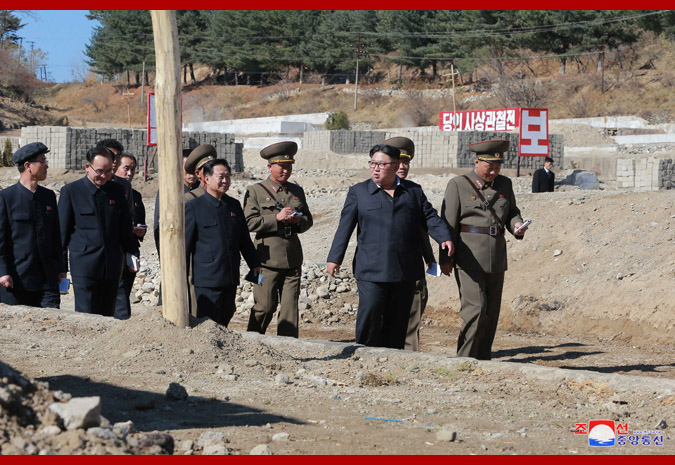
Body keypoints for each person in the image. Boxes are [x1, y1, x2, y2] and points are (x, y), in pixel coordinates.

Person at [326, 144, 453, 350]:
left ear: (395, 166)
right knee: (370, 313)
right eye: (373, 164)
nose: (375, 168)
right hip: (371, 269)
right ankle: (364, 353)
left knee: (398, 320)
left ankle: (393, 358)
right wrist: (335, 258)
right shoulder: (359, 192)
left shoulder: (413, 191)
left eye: (381, 164)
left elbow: (429, 216)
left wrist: (443, 237)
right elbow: (345, 227)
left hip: (405, 270)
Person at [439, 139, 527, 360]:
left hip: (496, 257)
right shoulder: (458, 184)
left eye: (498, 167)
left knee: (490, 313)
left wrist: (516, 224)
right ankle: (466, 358)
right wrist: (445, 258)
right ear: (477, 162)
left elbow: (511, 211)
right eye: (490, 167)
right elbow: (447, 223)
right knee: (475, 310)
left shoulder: (505, 184)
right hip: (468, 258)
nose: (494, 172)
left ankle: (483, 358)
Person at [58, 145, 139, 317]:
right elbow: (62, 234)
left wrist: (132, 252)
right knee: (86, 315)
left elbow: (124, 227)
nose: (104, 176)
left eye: (109, 171)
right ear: (88, 167)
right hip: (85, 266)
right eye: (100, 171)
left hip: (112, 265)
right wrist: (61, 268)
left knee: (108, 315)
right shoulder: (71, 192)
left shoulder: (116, 191)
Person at [243, 141, 313, 338]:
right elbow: (248, 223)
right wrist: (276, 218)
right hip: (264, 260)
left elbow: (309, 220)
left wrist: (299, 220)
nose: (286, 170)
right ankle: (253, 341)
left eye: (289, 166)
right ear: (269, 166)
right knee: (264, 307)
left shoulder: (296, 191)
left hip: (292, 258)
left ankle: (288, 345)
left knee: (290, 310)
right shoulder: (255, 190)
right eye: (281, 166)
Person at [185, 159, 261, 326]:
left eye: (228, 177)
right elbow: (185, 246)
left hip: (230, 276)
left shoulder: (233, 205)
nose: (225, 181)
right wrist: (181, 277)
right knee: (209, 323)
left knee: (226, 316)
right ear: (206, 178)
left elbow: (244, 239)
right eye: (221, 177)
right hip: (207, 279)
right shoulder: (194, 206)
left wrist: (254, 263)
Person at [382, 136, 436, 351]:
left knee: (413, 314)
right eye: (399, 162)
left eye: (407, 163)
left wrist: (431, 258)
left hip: (411, 265)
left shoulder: (414, 191)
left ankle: (409, 358)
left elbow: (424, 227)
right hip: (382, 268)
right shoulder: (371, 191)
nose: (403, 167)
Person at [0, 142, 66, 308]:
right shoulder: (6, 198)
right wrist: (3, 272)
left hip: (47, 278)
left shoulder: (48, 196)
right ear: (28, 166)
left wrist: (61, 267)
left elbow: (56, 236)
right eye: (42, 161)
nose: (46, 165)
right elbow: (1, 241)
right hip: (17, 279)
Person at [113, 152, 146, 319]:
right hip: (115, 251)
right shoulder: (110, 194)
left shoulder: (137, 196)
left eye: (133, 169)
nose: (129, 173)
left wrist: (140, 230)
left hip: (131, 250)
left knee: (124, 290)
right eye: (126, 168)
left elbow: (140, 221)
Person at [96, 139, 134, 220]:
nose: (115, 160)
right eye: (111, 155)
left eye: (118, 156)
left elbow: (128, 215)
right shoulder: (79, 187)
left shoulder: (124, 185)